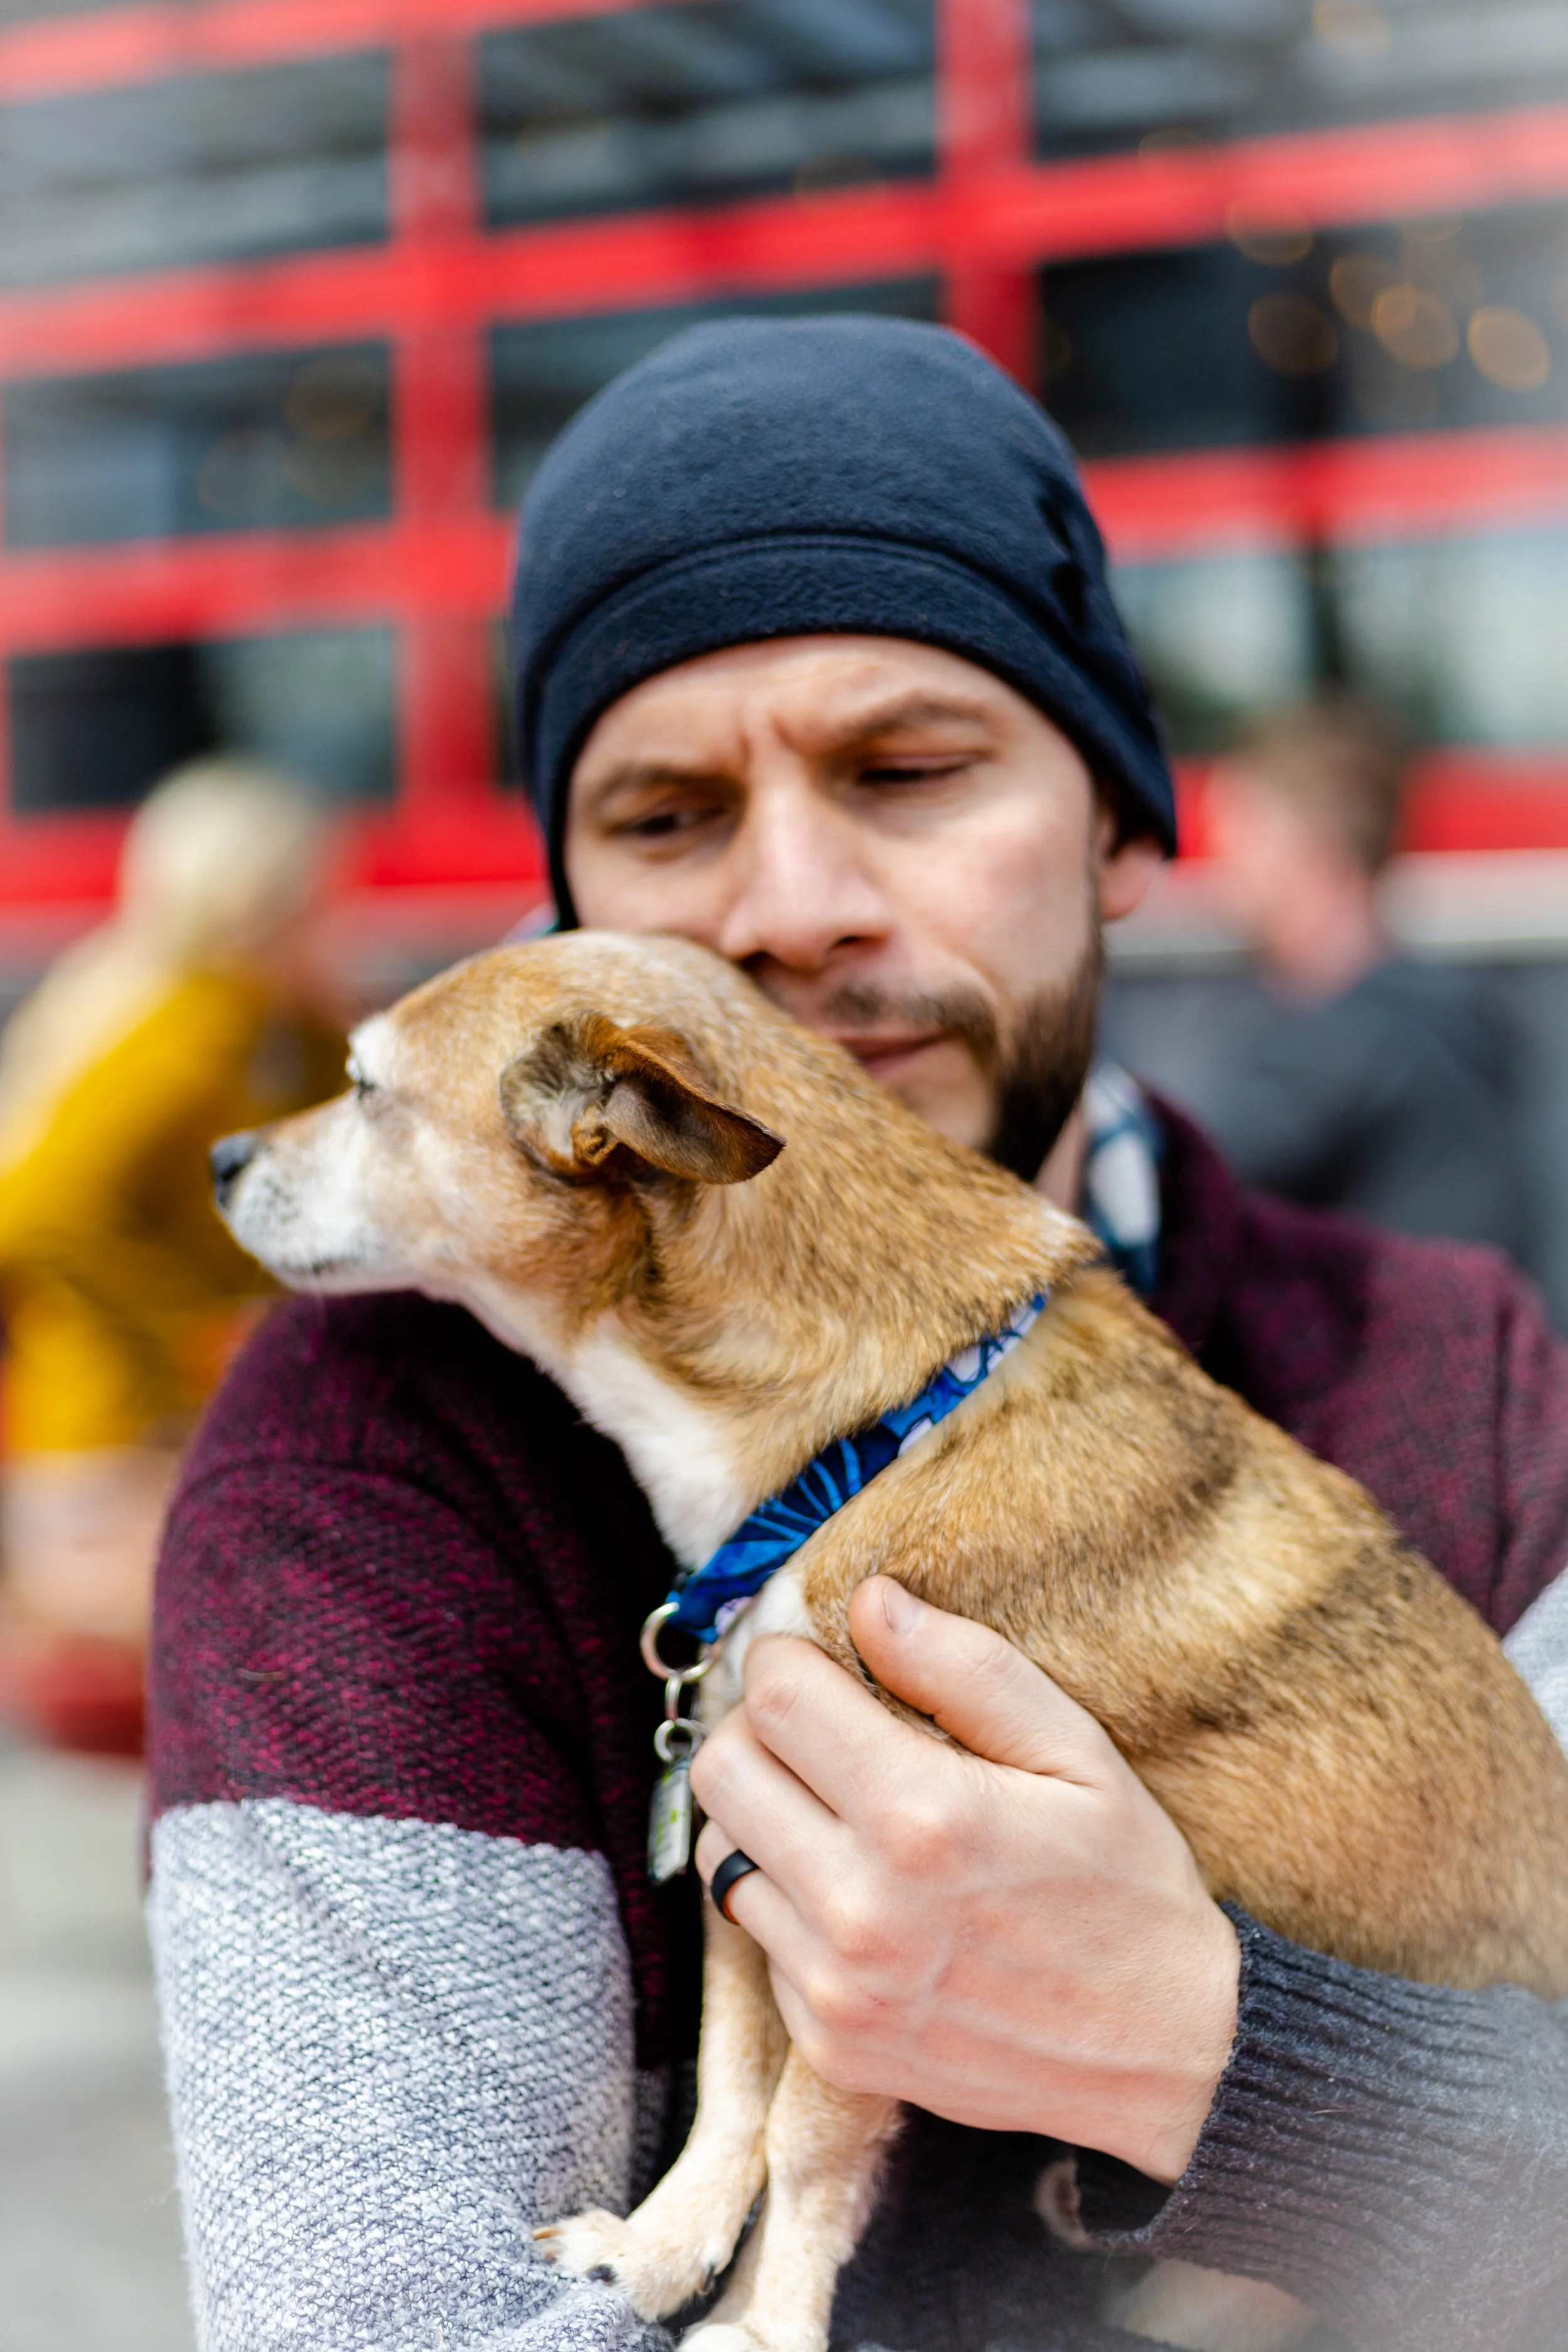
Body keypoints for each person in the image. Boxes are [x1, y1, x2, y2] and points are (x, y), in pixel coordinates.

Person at [147, 320, 1568, 2352]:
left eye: (907, 770)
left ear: (1128, 827)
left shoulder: (1455, 1370)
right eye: (661, 815)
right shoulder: (366, 1476)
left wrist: (1218, 2056)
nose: (792, 907)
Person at [0, 756, 344, 1752]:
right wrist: (192, 1332)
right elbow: (31, 1212)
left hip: (135, 1429)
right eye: (325, 897)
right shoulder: (184, 1030)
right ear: (271, 905)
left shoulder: (231, 1015)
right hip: (125, 1434)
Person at [1194, 696, 1527, 1255]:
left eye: (1239, 832)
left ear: (1310, 853)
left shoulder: (1351, 1049)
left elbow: (1187, 1174)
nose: (1218, 862)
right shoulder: (1438, 1018)